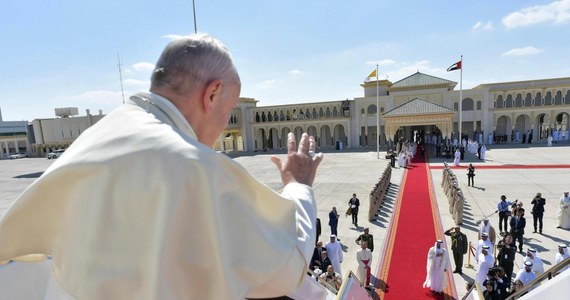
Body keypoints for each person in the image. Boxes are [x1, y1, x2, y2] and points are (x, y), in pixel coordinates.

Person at [0, 34, 327, 299]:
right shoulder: (192, 166)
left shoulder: (98, 134)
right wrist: (298, 184)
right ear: (212, 94)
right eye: (227, 114)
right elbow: (287, 265)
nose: (222, 128)